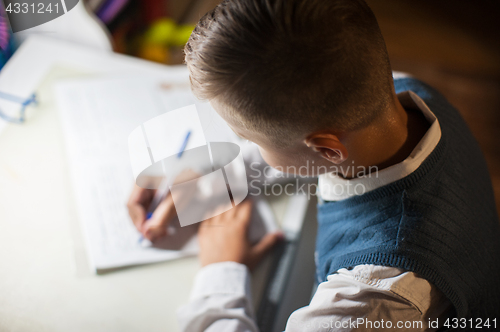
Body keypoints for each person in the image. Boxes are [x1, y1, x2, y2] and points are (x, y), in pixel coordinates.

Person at [128, 0, 500, 330]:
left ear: (329, 151)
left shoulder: (370, 300)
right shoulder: (401, 90)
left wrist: (220, 274)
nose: (246, 146)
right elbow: (306, 138)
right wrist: (213, 182)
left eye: (250, 138)